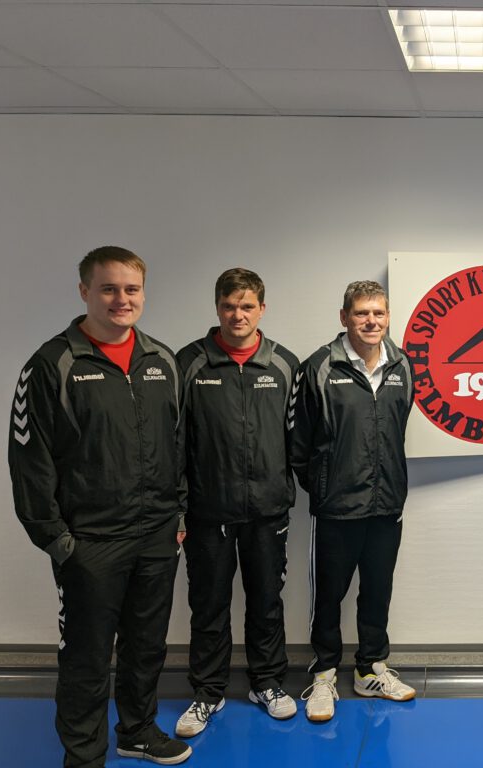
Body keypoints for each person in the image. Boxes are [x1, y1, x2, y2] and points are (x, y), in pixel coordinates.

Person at [8, 246, 190, 766]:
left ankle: (137, 731)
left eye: (131, 289)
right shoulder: (51, 364)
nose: (121, 299)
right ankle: (85, 755)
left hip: (156, 536)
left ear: (143, 293)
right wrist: (56, 538)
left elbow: (179, 445)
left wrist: (177, 515)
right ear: (84, 291)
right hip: (89, 542)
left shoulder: (162, 361)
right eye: (108, 288)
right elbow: (29, 458)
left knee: (146, 646)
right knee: (86, 657)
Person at [173, 268, 300, 737]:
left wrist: (287, 492)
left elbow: (298, 439)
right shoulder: (189, 363)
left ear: (262, 309)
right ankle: (208, 692)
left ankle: (267, 683)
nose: (238, 315)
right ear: (217, 308)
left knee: (266, 601)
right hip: (207, 512)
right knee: (208, 605)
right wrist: (179, 507)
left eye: (247, 306)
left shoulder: (284, 364)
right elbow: (174, 442)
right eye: (229, 306)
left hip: (267, 512)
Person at [289, 280, 416, 722]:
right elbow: (298, 441)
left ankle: (370, 669)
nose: (371, 321)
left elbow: (397, 427)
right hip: (337, 508)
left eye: (378, 313)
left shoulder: (402, 365)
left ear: (388, 317)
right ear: (344, 317)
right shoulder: (319, 367)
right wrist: (325, 487)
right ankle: (324, 675)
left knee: (378, 592)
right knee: (328, 596)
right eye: (361, 313)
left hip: (387, 504)